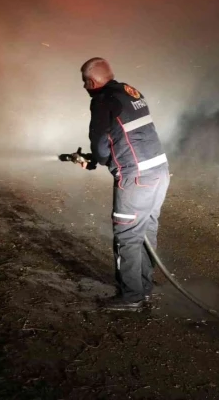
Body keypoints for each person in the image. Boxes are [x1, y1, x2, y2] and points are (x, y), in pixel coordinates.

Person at [79, 57, 170, 311]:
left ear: (90, 81)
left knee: (127, 236)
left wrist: (96, 160)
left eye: (84, 84)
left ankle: (131, 297)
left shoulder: (101, 101)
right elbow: (126, 135)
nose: (84, 89)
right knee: (145, 232)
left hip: (136, 177)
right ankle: (144, 288)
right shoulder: (130, 91)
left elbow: (99, 143)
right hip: (159, 171)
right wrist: (101, 160)